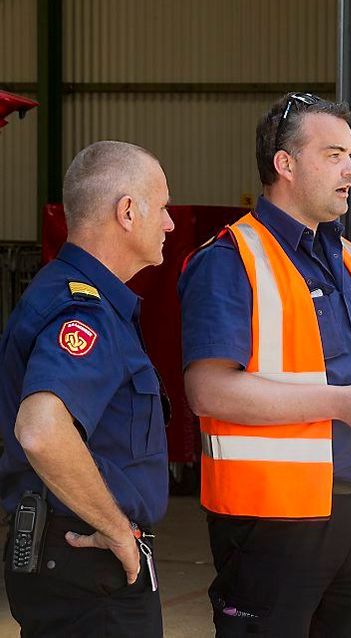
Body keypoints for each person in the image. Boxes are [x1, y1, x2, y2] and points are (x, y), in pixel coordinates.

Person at [179, 92, 351, 637]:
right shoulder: (229, 259)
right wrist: (343, 404)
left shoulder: (350, 259)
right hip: (270, 522)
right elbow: (209, 392)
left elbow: (348, 375)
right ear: (284, 165)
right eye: (334, 154)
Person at [0, 140, 174, 636]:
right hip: (89, 569)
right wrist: (120, 532)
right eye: (162, 208)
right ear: (127, 212)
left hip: (72, 564)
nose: (169, 224)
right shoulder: (85, 309)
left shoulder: (66, 292)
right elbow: (41, 430)